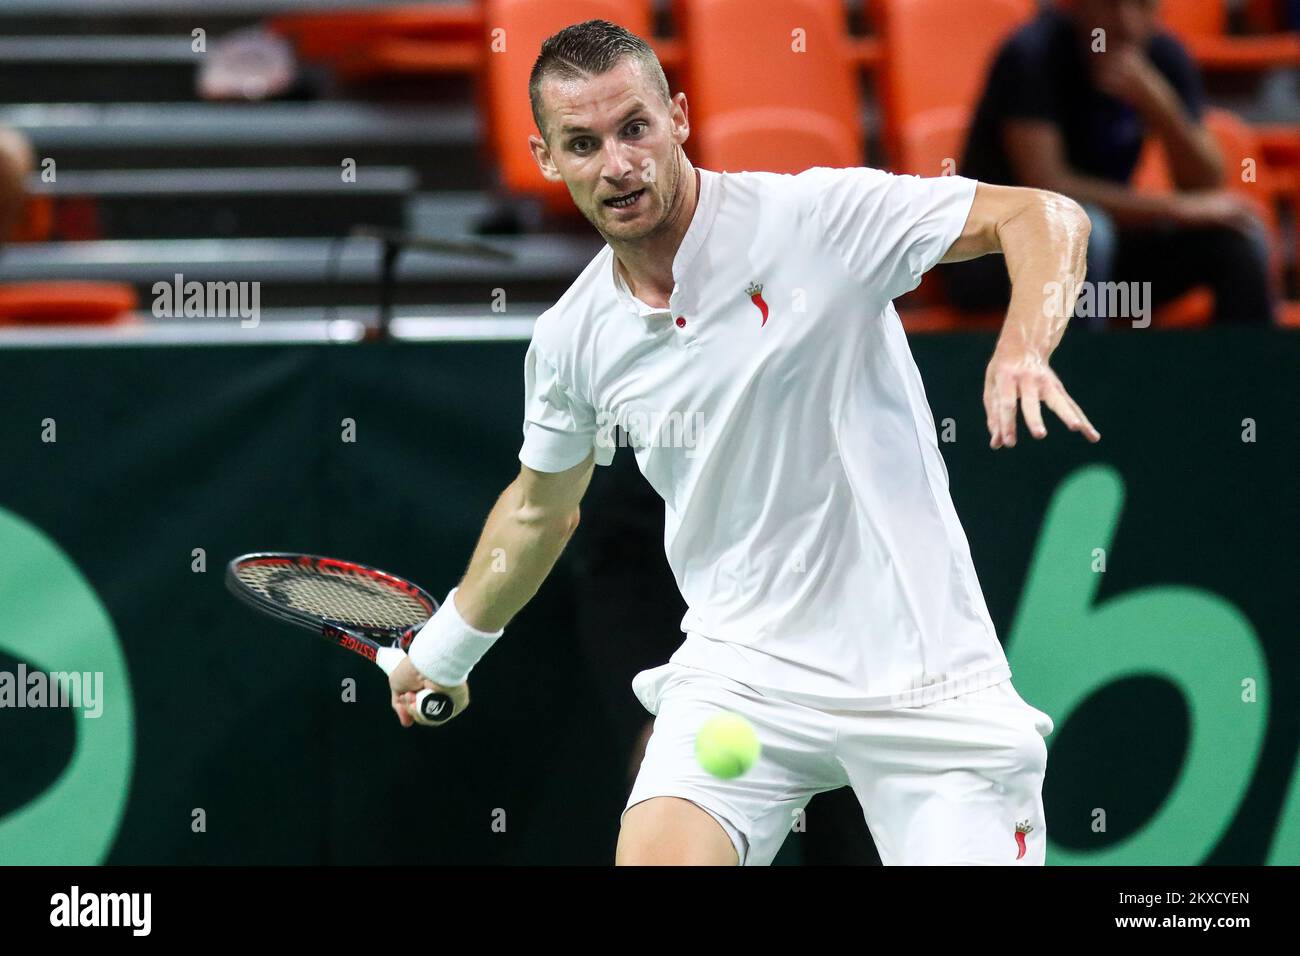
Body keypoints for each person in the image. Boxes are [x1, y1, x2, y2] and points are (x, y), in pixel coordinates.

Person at [387, 19, 1100, 866]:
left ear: (678, 117)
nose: (617, 164)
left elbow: (1045, 215)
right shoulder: (574, 336)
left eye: (634, 128)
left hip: (927, 676)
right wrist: (446, 650)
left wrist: (1024, 343)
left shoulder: (817, 219)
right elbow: (540, 514)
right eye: (583, 143)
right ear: (546, 158)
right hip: (743, 673)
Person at [945, 0, 1275, 327]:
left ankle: (1245, 377)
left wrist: (1161, 106)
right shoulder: (1030, 55)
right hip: (993, 254)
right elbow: (1049, 186)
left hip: (1105, 262)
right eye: (1110, 5)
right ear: (1075, 6)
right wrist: (1177, 209)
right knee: (1086, 232)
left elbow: (1205, 184)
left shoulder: (1162, 55)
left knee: (1238, 236)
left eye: (1141, 6)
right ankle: (1078, 378)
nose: (1125, 23)